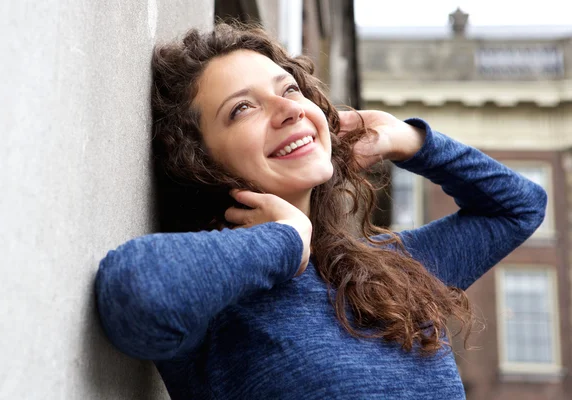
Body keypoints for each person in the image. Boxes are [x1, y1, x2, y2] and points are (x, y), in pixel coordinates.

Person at [95, 22, 547, 399]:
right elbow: (135, 294)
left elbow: (520, 207)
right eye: (243, 108)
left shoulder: (390, 269)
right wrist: (287, 239)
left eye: (290, 89)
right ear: (201, 161)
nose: (289, 109)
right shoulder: (218, 298)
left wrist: (410, 142)